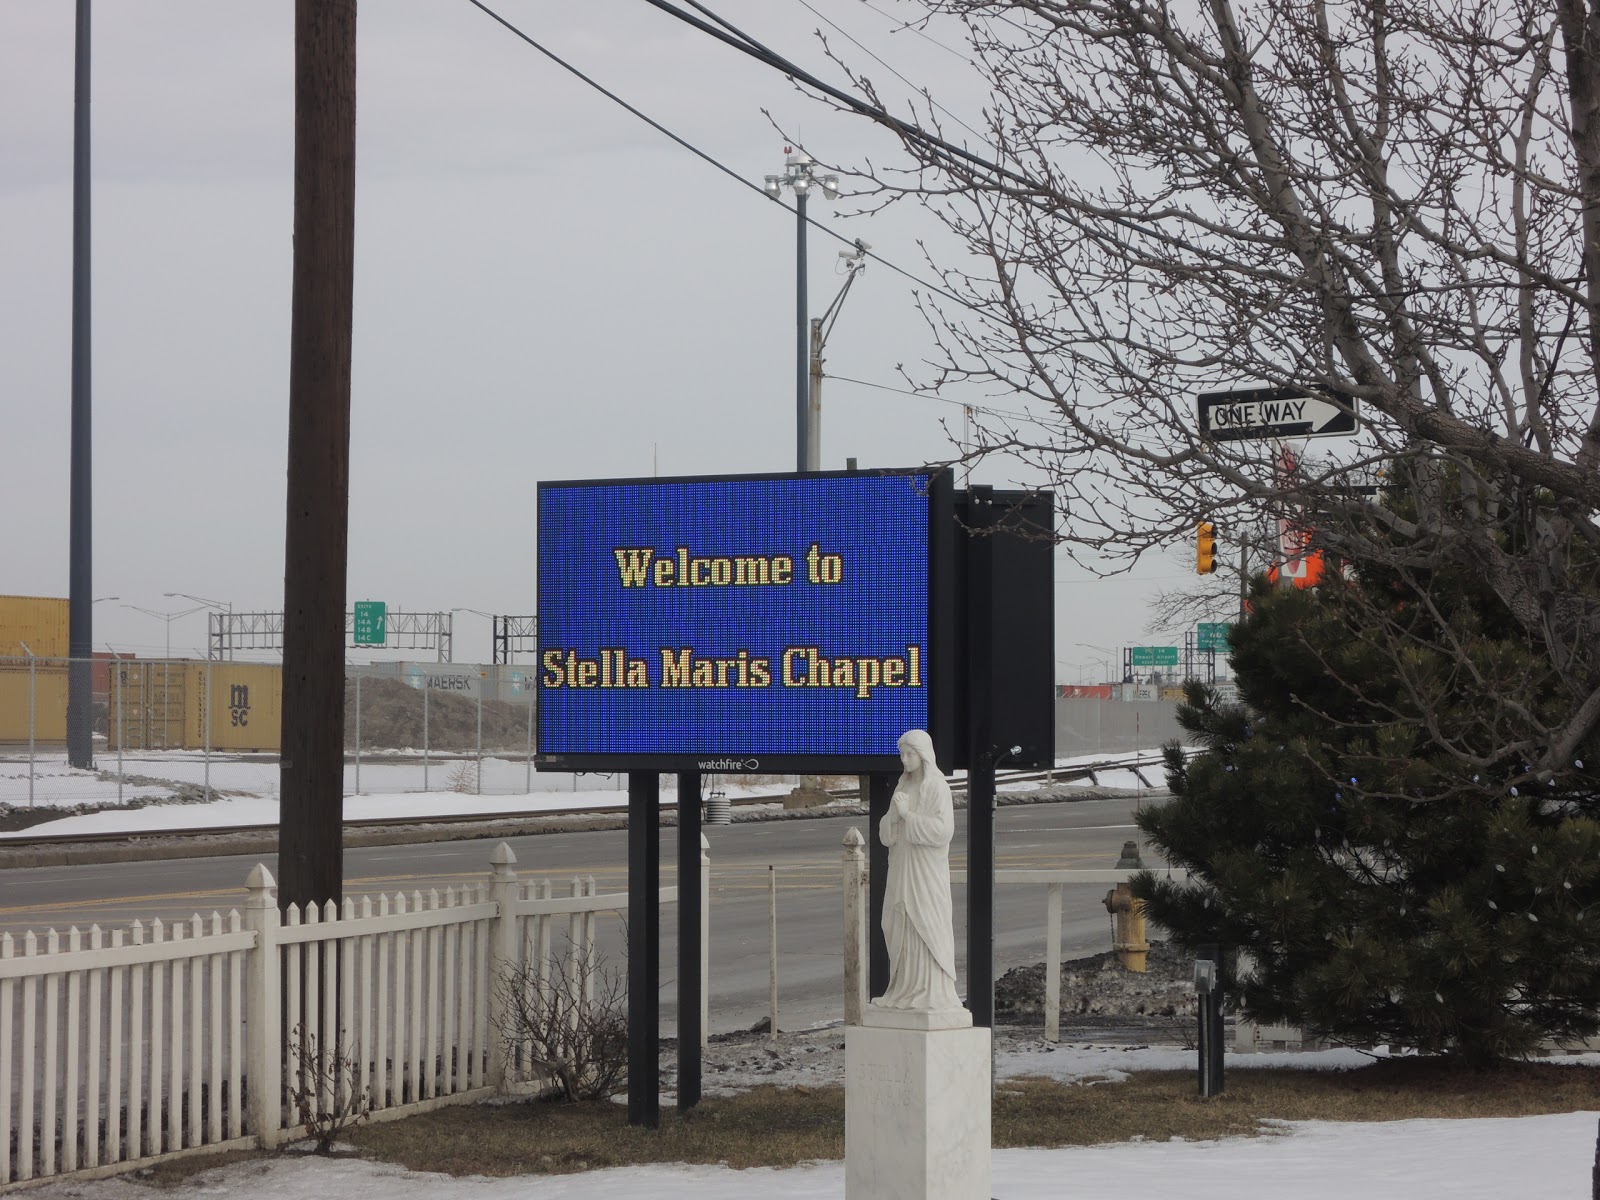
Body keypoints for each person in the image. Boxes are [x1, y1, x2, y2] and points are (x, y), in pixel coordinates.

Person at [874, 728, 963, 1011]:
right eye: (902, 753)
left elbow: (942, 831)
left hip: (925, 873)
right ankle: (902, 989)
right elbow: (886, 832)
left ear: (923, 755)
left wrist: (907, 816)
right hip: (901, 867)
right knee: (897, 921)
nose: (904, 759)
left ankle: (929, 991)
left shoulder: (937, 788)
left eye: (909, 754)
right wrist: (895, 819)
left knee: (925, 922)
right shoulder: (902, 788)